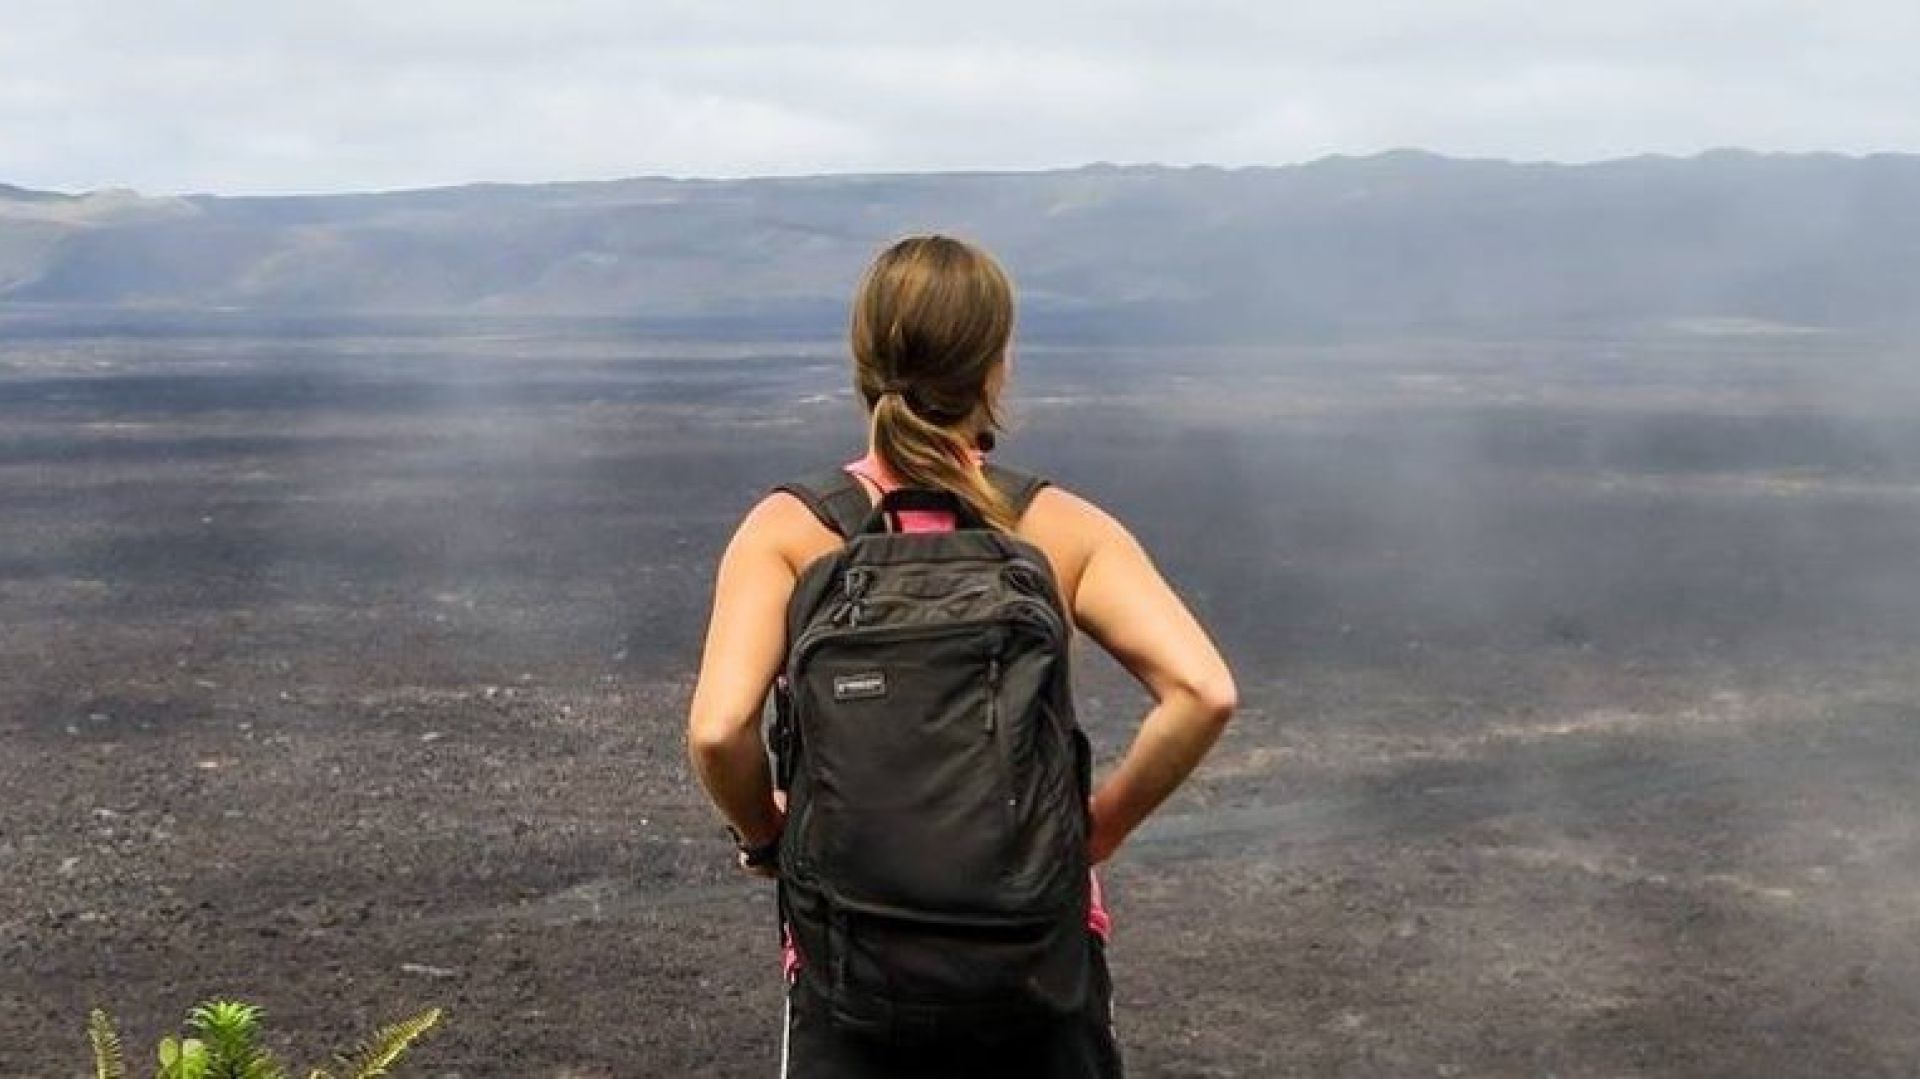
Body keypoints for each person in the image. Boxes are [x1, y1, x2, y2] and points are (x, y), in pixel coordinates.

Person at [687, 234, 1237, 1077]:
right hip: (1035, 965)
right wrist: (1097, 831)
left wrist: (769, 837)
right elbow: (1202, 691)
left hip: (851, 969)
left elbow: (721, 730)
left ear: (865, 359)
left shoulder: (791, 531)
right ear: (997, 365)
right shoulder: (1060, 528)